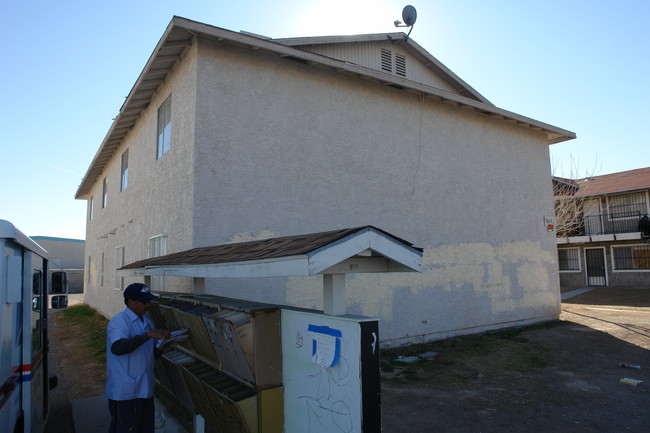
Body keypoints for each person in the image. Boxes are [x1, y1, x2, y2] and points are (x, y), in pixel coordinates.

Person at [105, 283, 170, 433]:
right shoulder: (119, 322)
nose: (148, 305)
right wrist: (147, 336)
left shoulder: (147, 323)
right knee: (127, 429)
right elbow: (118, 348)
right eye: (144, 302)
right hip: (125, 392)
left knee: (145, 428)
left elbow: (150, 355)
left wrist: (161, 347)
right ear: (131, 302)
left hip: (144, 389)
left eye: (149, 301)